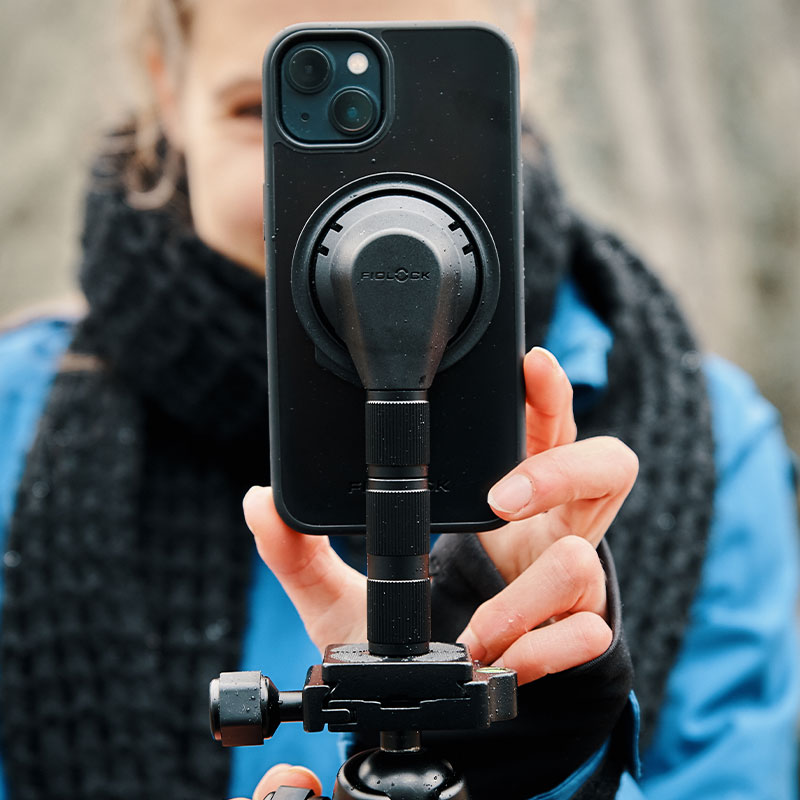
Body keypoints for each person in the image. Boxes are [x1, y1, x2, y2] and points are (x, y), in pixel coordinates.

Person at [0, 1, 796, 799]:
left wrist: (539, 764)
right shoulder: (15, 426)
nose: (367, 219)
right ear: (166, 88)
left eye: (432, 99)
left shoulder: (711, 449)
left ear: (517, 59)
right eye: (257, 111)